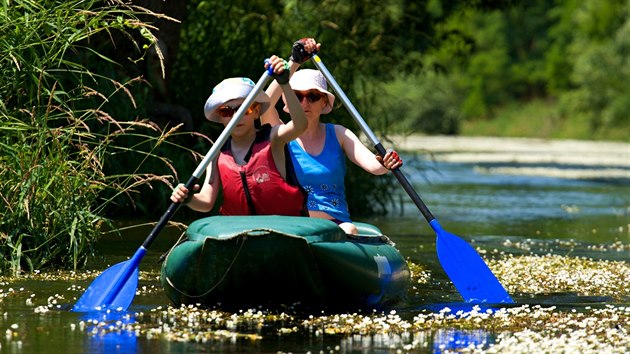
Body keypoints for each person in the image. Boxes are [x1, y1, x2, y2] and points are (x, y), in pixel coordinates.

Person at [262, 40, 403, 235]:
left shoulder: (339, 134)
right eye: (298, 96)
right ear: (288, 101)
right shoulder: (280, 134)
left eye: (312, 96)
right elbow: (264, 106)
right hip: (293, 225)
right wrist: (294, 62)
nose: (305, 103)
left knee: (350, 229)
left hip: (336, 225)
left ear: (324, 102)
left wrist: (386, 163)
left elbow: (374, 165)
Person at [170, 55, 308, 216]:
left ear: (256, 111)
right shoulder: (215, 154)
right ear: (220, 117)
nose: (236, 116)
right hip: (241, 234)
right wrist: (187, 198)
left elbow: (300, 125)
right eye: (227, 111)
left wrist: (284, 84)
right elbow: (206, 202)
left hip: (283, 230)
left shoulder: (273, 138)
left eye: (244, 109)